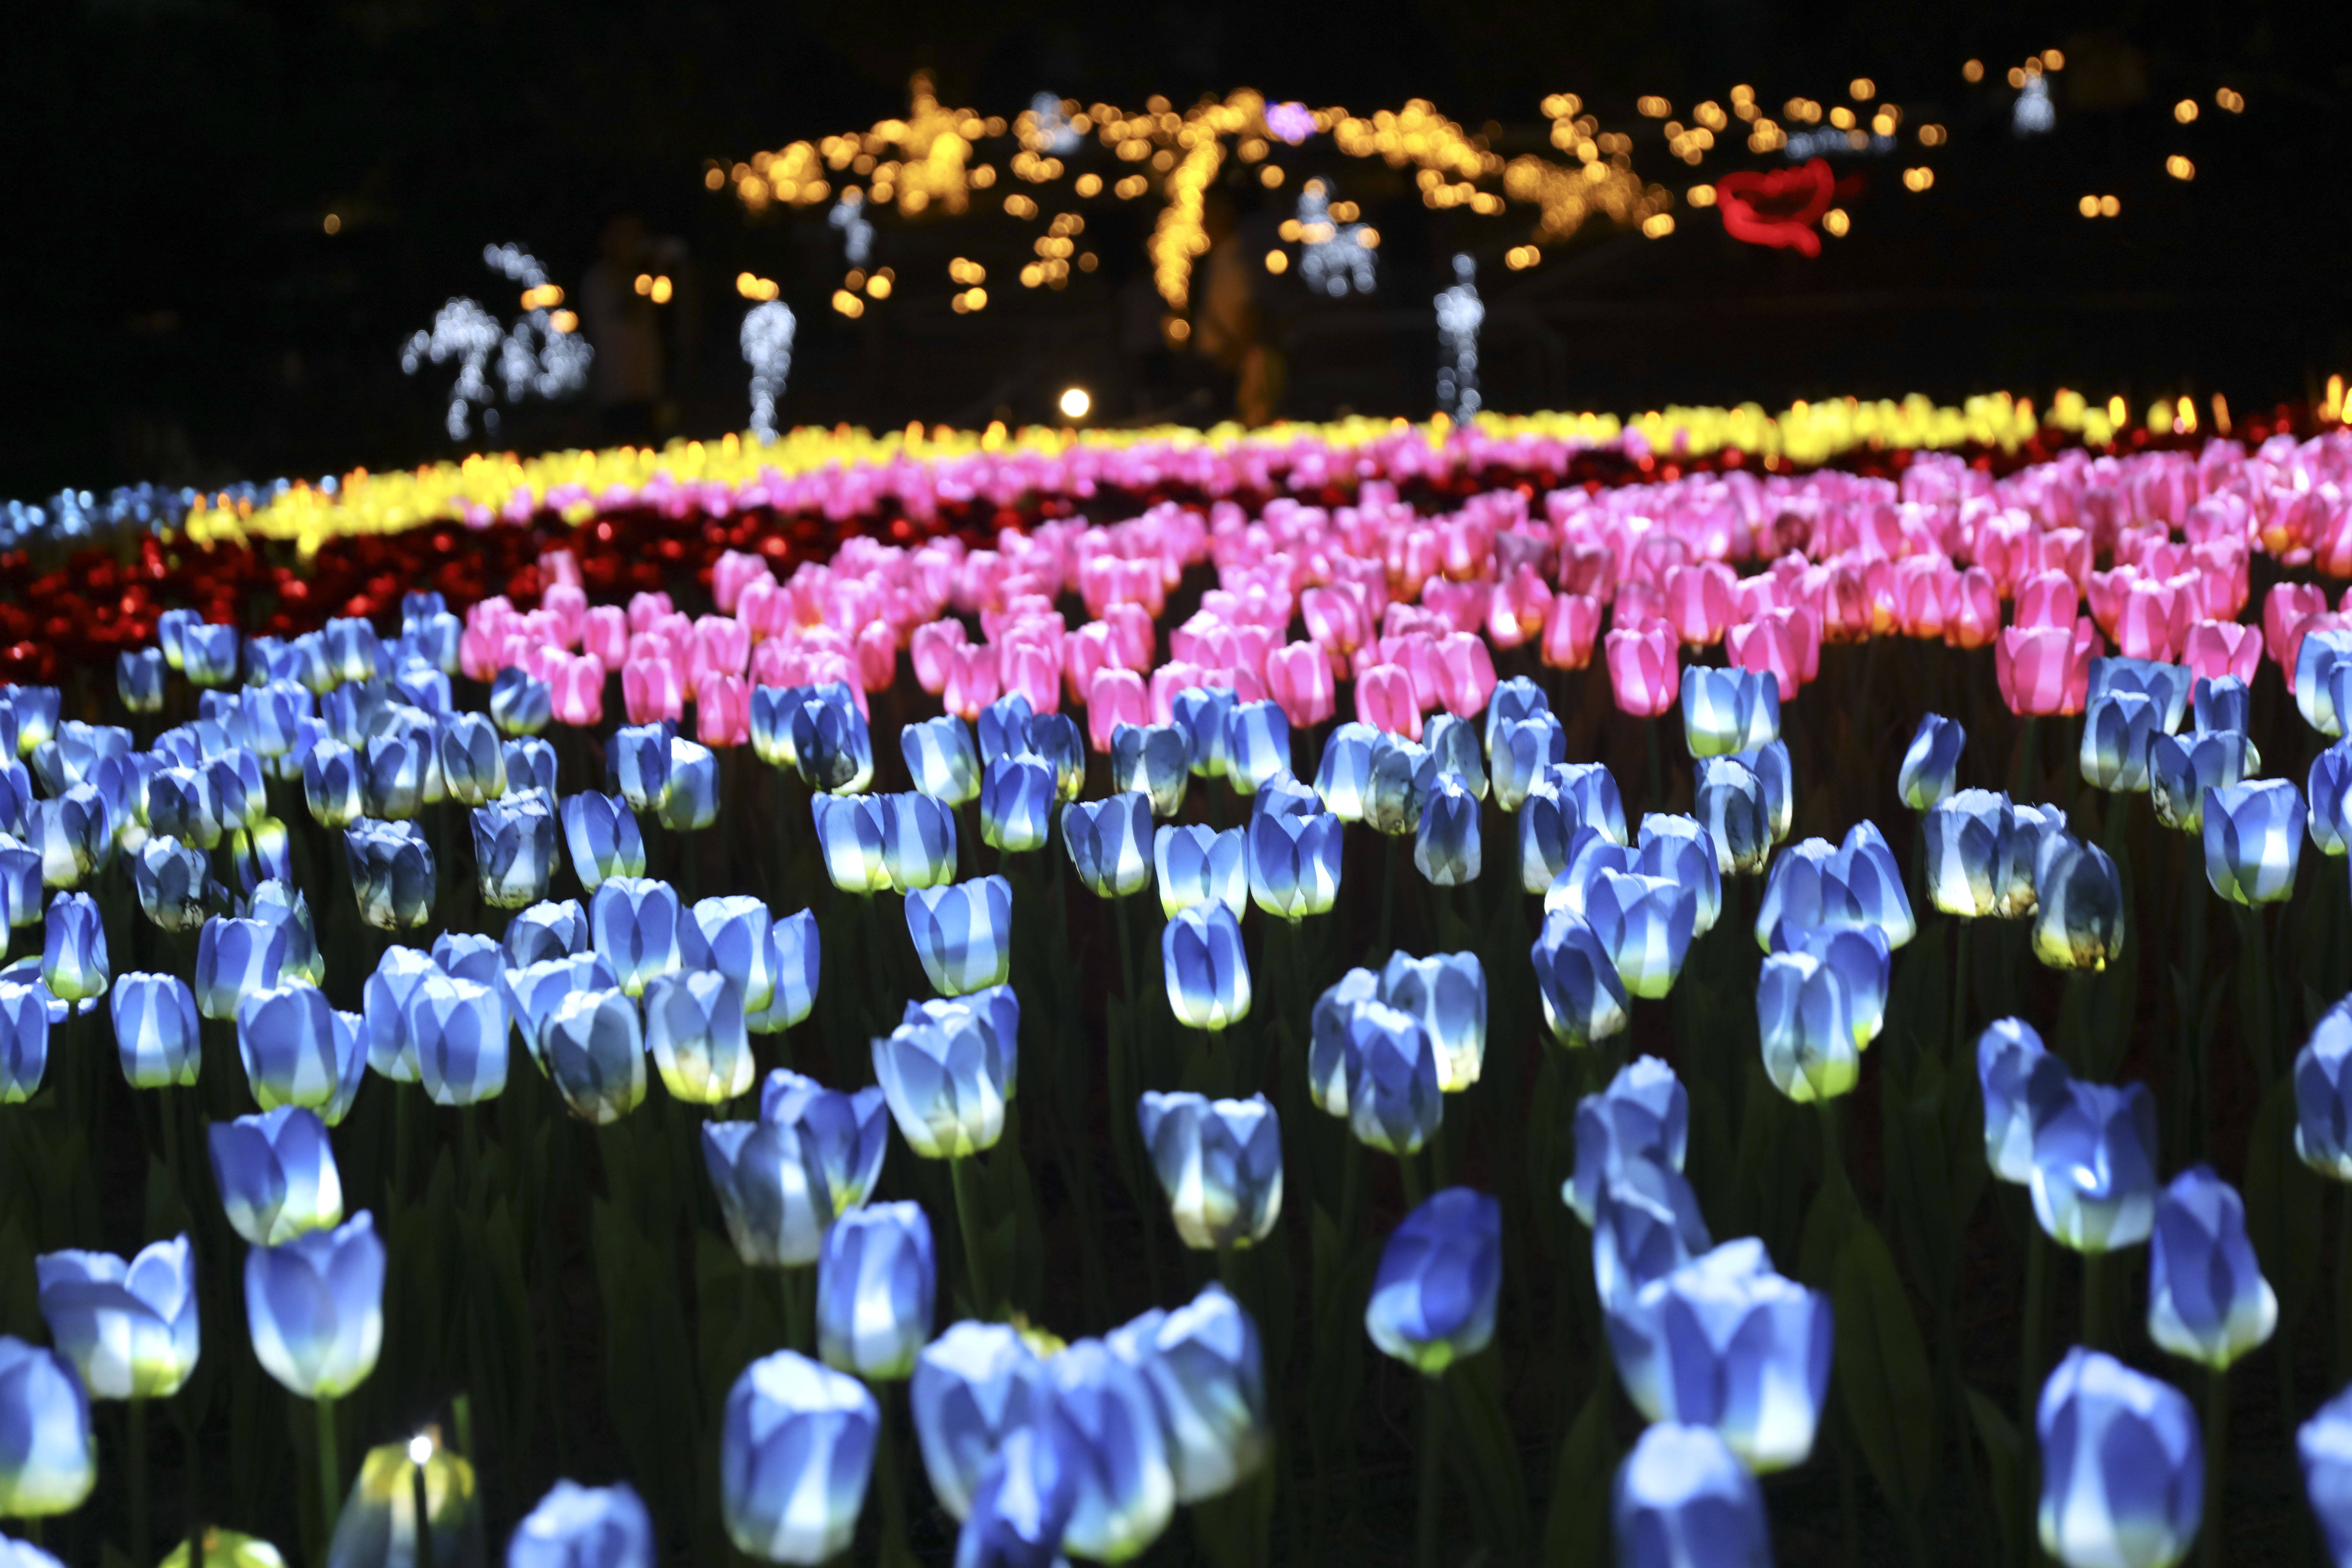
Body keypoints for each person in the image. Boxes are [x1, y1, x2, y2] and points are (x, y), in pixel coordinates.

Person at [579, 213, 692, 443]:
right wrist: (655, 269)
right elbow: (629, 308)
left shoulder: (639, 279)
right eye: (626, 236)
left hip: (648, 389)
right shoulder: (598, 280)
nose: (633, 243)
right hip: (616, 392)